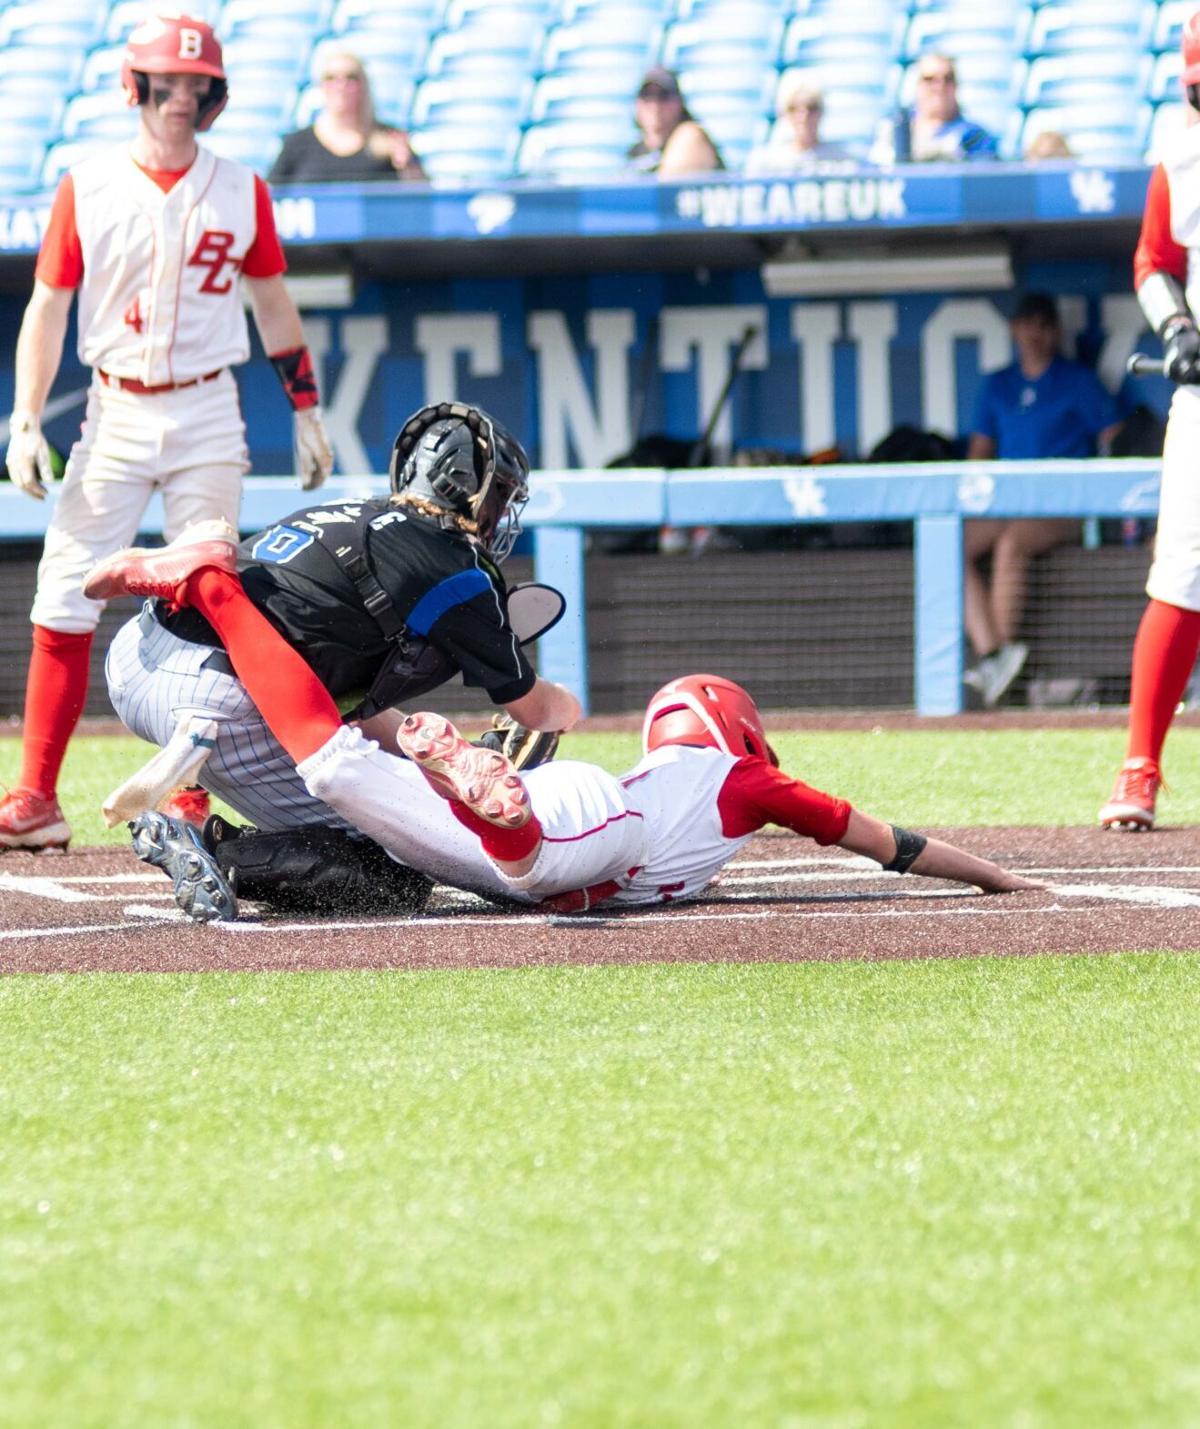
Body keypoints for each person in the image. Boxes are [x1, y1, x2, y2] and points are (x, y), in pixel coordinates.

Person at [0, 12, 334, 854]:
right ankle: (36, 797)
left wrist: (306, 404)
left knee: (211, 596)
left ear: (215, 94)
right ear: (133, 86)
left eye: (197, 85)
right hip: (112, 409)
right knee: (65, 591)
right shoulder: (88, 182)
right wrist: (27, 416)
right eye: (166, 82)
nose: (181, 97)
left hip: (206, 409)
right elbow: (48, 305)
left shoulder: (240, 184)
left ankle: (190, 795)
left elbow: (272, 303)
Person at [82, 402, 580, 916]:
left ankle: (197, 579)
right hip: (221, 693)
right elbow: (537, 711)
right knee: (397, 869)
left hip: (139, 652)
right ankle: (209, 845)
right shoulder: (455, 567)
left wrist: (433, 751)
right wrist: (569, 706)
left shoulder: (356, 514)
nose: (502, 511)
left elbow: (343, 698)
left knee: (356, 759)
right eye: (501, 493)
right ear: (468, 486)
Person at [1098, 11, 1200, 831]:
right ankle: (1141, 766)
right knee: (1182, 577)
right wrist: (1177, 329)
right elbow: (1154, 261)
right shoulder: (1179, 150)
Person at [963, 292, 1123, 707]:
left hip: (1064, 506)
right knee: (950, 546)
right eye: (1026, 323)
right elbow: (979, 451)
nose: (1034, 333)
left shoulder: (1077, 380)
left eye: (1042, 324)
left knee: (1012, 542)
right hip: (1007, 502)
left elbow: (1116, 438)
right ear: (1015, 329)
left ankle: (1001, 661)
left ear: (1054, 332)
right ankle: (994, 653)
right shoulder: (1000, 384)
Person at [268, 49, 426, 184]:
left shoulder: (390, 139)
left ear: (363, 84)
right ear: (321, 86)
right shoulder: (298, 144)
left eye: (350, 78)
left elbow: (420, 198)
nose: (341, 86)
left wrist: (407, 166)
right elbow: (272, 199)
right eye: (331, 78)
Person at [871, 53, 998, 165]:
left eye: (948, 79)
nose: (939, 86)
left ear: (956, 85)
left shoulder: (974, 136)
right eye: (929, 79)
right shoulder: (894, 129)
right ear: (916, 85)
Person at [626, 66, 723, 179]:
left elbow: (666, 192)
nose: (654, 106)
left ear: (679, 103)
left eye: (663, 96)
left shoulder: (691, 136)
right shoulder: (636, 151)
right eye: (646, 96)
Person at [743, 77, 854, 175]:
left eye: (811, 108)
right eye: (793, 109)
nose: (803, 116)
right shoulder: (763, 162)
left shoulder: (844, 160)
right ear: (784, 113)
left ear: (822, 111)